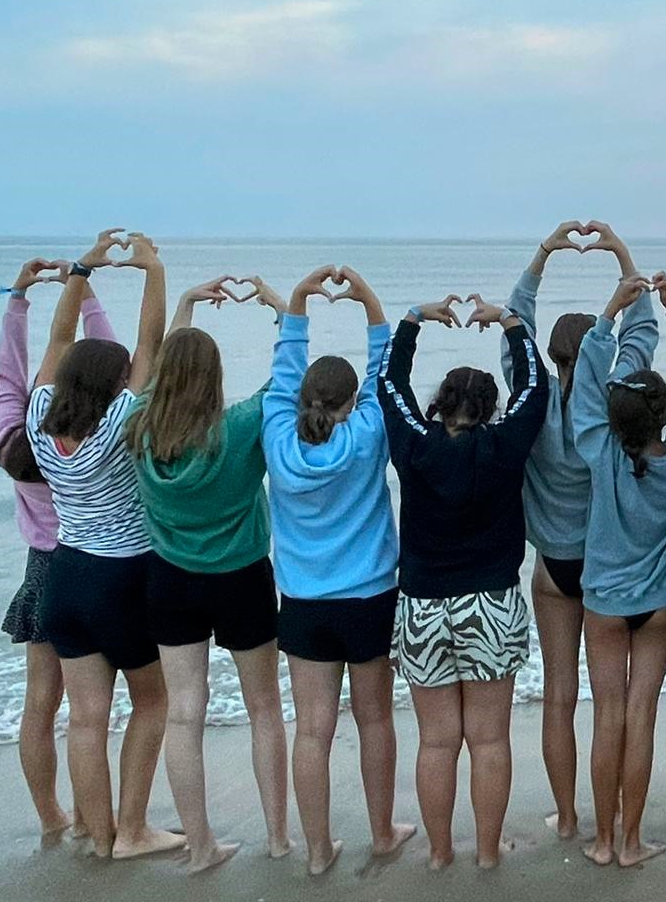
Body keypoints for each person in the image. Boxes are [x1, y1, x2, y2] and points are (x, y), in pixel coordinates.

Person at [25, 229, 183, 860]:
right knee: (152, 703)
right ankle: (133, 830)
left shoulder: (40, 415)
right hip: (122, 577)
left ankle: (96, 832)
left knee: (85, 718)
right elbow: (151, 341)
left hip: (62, 577)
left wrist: (83, 269)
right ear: (118, 382)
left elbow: (59, 341)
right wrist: (153, 269)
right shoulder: (122, 420)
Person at [125, 272, 292, 872]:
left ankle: (199, 847)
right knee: (265, 708)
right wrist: (281, 309)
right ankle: (277, 837)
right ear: (215, 378)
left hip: (171, 581)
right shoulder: (239, 426)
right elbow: (289, 382)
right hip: (243, 578)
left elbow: (149, 376)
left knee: (184, 713)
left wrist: (190, 302)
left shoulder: (139, 426)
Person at [379, 289, 549, 869]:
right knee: (490, 740)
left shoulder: (415, 446)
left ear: (441, 404)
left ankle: (439, 853)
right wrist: (510, 324)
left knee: (436, 741)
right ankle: (485, 853)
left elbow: (389, 388)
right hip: (492, 606)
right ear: (488, 407)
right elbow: (536, 389)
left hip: (424, 606)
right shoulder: (505, 444)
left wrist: (410, 322)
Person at [502, 220, 657, 839]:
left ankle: (568, 818)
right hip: (607, 567)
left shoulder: (529, 399)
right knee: (612, 702)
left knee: (561, 695)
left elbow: (514, 324)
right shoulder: (614, 406)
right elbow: (642, 331)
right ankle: (615, 815)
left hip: (553, 568)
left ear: (550, 356)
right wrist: (620, 252)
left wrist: (545, 251)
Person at [262, 265, 417, 875]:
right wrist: (369, 303)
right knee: (375, 717)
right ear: (353, 401)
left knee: (312, 730)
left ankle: (319, 851)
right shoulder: (368, 430)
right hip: (370, 596)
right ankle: (382, 833)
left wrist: (298, 300)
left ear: (303, 397)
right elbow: (386, 372)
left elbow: (282, 372)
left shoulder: (279, 433)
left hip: (302, 601)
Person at [571, 270, 666, 868]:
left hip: (603, 603)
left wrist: (605, 317)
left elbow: (586, 392)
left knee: (608, 715)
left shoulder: (598, 448)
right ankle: (631, 840)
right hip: (656, 604)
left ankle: (600, 839)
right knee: (640, 714)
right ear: (663, 414)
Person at [0, 256, 111, 839]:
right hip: (95, 564)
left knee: (40, 704)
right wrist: (84, 288)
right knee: (94, 711)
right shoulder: (98, 435)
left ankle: (51, 818)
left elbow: (6, 377)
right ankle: (95, 817)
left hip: (42, 571)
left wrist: (18, 300)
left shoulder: (17, 439)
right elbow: (111, 356)